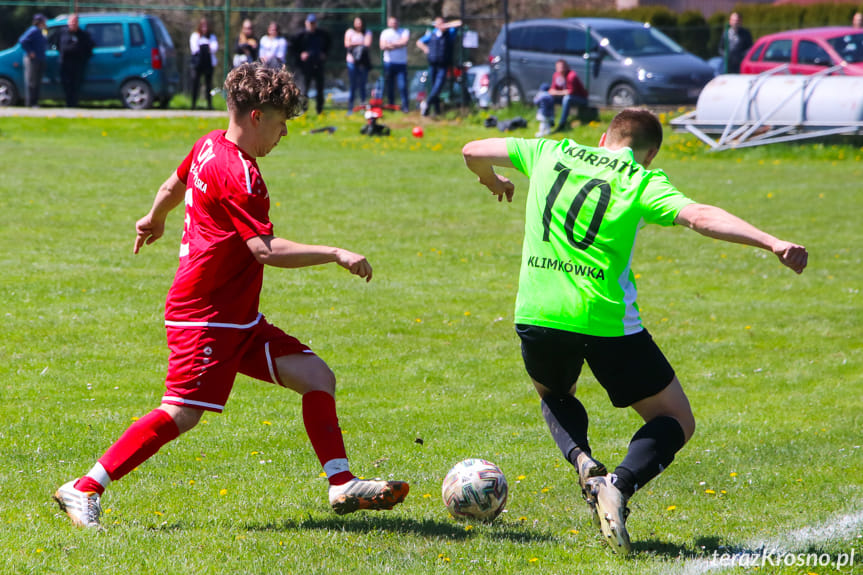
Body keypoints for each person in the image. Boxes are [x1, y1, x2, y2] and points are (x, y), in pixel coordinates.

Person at [52, 63, 410, 529]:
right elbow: (263, 250)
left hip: (238, 317)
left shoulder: (208, 144)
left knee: (316, 376)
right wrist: (335, 252)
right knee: (181, 412)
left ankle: (340, 482)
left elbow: (172, 183)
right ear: (257, 116)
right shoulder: (242, 175)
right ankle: (83, 488)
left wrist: (154, 216)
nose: (283, 135)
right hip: (205, 313)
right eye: (281, 124)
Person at [461, 108, 807, 554]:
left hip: (539, 313)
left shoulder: (549, 150)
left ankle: (583, 459)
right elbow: (699, 216)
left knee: (555, 396)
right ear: (651, 153)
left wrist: (495, 182)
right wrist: (772, 242)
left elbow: (472, 150)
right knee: (676, 419)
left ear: (604, 136)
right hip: (608, 323)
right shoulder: (642, 181)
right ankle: (617, 486)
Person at [416, 16, 462, 116]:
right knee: (433, 87)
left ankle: (427, 103)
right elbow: (419, 42)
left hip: (443, 65)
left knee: (438, 87)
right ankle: (436, 111)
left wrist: (445, 25)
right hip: (432, 64)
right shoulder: (432, 34)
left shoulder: (450, 33)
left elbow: (459, 23)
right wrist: (425, 49)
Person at [294, 14, 330, 114]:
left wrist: (325, 54)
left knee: (320, 89)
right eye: (310, 23)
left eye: (313, 23)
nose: (312, 25)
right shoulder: (300, 35)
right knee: (304, 89)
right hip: (305, 67)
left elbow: (329, 44)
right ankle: (303, 110)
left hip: (318, 65)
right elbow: (293, 49)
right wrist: (300, 55)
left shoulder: (322, 34)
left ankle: (320, 110)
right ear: (306, 23)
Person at [59, 13, 94, 107]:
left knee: (76, 84)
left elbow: (90, 48)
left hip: (78, 64)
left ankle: (73, 103)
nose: (73, 24)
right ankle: (68, 103)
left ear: (77, 23)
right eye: (71, 22)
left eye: (74, 22)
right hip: (65, 64)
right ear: (68, 23)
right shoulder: (62, 33)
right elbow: (55, 45)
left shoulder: (83, 35)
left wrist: (84, 58)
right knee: (66, 84)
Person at [379, 16, 410, 112]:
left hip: (401, 64)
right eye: (392, 22)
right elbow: (382, 46)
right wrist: (397, 44)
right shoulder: (385, 33)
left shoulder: (404, 31)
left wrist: (390, 44)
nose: (394, 24)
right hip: (389, 63)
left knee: (402, 85)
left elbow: (404, 42)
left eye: (395, 22)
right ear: (389, 23)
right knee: (390, 86)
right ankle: (391, 106)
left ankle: (405, 106)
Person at [548, 59, 588, 132]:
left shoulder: (572, 76)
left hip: (580, 99)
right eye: (558, 67)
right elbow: (552, 90)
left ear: (566, 67)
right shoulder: (556, 75)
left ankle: (562, 123)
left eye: (562, 67)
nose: (560, 69)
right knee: (549, 98)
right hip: (565, 97)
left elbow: (571, 91)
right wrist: (558, 92)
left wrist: (557, 93)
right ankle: (551, 120)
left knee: (567, 98)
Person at [18, 13, 48, 108]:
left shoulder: (41, 31)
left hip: (40, 58)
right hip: (32, 60)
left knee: (37, 82)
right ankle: (30, 103)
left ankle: (35, 102)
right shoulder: (33, 30)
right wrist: (30, 51)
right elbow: (22, 40)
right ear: (39, 22)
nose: (45, 23)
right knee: (31, 82)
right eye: (44, 21)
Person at [344, 16, 372, 113]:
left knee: (362, 85)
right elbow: (347, 44)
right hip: (352, 62)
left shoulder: (367, 32)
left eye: (360, 22)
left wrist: (353, 43)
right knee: (353, 85)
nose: (358, 24)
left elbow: (367, 44)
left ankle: (362, 107)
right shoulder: (349, 32)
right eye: (357, 22)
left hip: (363, 63)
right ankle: (350, 108)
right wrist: (360, 43)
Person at [189, 18, 218, 109]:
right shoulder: (195, 36)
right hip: (197, 64)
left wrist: (204, 47)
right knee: (195, 84)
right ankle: (193, 104)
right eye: (203, 26)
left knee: (208, 84)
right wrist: (206, 47)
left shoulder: (212, 37)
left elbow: (214, 48)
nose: (204, 28)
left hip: (208, 63)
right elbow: (194, 49)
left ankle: (209, 104)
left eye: (206, 26)